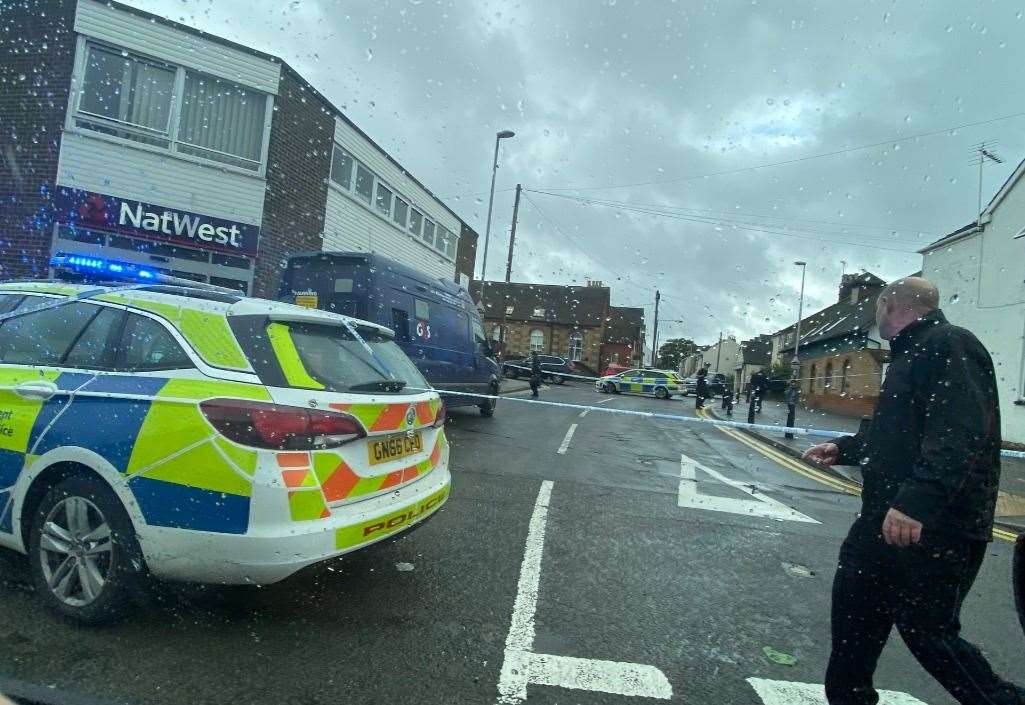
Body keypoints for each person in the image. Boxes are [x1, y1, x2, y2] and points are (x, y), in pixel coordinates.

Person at [802, 277, 1025, 705]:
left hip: (935, 529)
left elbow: (961, 434)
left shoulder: (950, 344)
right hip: (880, 524)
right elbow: (900, 435)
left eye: (878, 309)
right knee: (854, 623)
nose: (875, 319)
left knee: (929, 634)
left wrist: (915, 503)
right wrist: (845, 447)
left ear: (891, 305)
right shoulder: (909, 355)